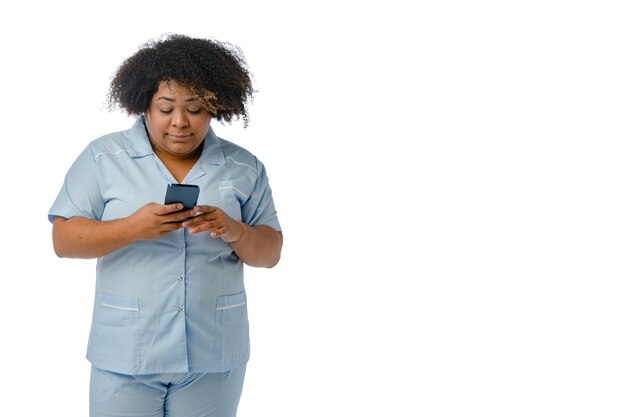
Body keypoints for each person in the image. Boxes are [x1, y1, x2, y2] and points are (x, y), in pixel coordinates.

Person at [48, 34, 282, 417]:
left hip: (213, 355)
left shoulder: (244, 166)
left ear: (215, 108)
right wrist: (131, 228)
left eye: (195, 108)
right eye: (166, 107)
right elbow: (63, 240)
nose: (180, 122)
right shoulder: (103, 157)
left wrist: (234, 230)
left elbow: (271, 253)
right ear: (144, 106)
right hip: (126, 354)